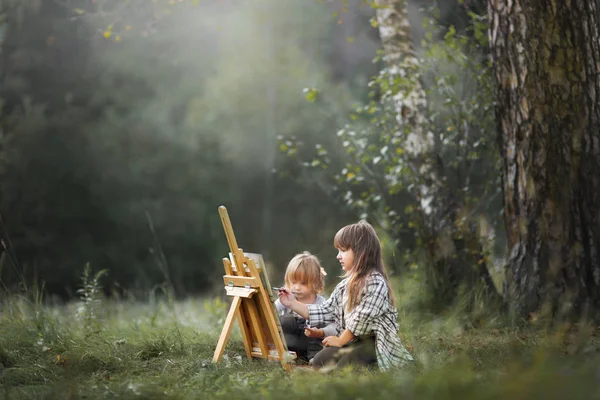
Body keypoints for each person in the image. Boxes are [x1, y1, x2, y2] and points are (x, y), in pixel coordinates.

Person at [278, 221, 414, 371]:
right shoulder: (345, 285)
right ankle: (350, 358)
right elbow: (325, 310)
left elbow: (361, 319)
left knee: (344, 368)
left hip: (374, 342)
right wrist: (291, 303)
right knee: (320, 361)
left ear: (361, 252)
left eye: (342, 251)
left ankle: (373, 364)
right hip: (352, 341)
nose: (338, 256)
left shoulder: (375, 282)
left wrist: (340, 340)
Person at [275, 252, 337, 363]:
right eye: (293, 282)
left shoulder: (321, 303)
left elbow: (329, 326)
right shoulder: (287, 298)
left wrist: (319, 331)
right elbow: (272, 310)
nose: (297, 287)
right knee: (286, 320)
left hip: (310, 345)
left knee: (317, 323)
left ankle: (313, 357)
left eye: (303, 283)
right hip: (290, 343)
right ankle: (286, 354)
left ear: (316, 283)